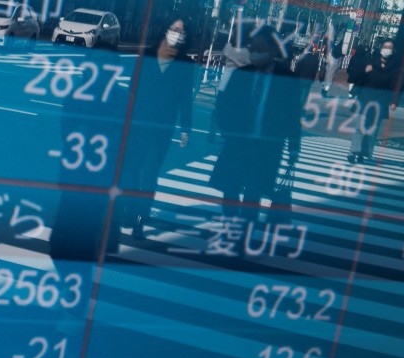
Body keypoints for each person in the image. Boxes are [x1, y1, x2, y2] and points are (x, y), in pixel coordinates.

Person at [210, 25, 303, 223]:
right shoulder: (241, 74)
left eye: (259, 49)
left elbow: (293, 114)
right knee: (230, 188)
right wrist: (227, 130)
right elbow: (224, 103)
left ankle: (244, 235)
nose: (254, 53)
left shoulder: (287, 79)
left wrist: (294, 147)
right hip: (238, 142)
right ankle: (230, 225)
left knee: (254, 193)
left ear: (272, 50)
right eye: (252, 48)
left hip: (267, 145)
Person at [120, 18, 196, 238]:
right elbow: (132, 88)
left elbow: (185, 98)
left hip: (163, 125)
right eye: (174, 29)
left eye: (182, 32)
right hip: (137, 121)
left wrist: (186, 128)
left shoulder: (186, 63)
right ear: (165, 30)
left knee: (150, 171)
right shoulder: (147, 55)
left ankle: (141, 215)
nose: (177, 34)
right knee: (132, 168)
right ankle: (128, 210)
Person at [347, 39, 400, 164]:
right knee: (360, 127)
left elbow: (395, 86)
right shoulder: (370, 62)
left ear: (393, 51)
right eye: (385, 46)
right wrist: (365, 71)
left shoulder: (394, 68)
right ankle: (353, 152)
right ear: (381, 48)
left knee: (372, 130)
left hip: (380, 102)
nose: (387, 49)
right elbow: (354, 76)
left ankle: (362, 153)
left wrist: (394, 101)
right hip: (365, 98)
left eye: (390, 47)